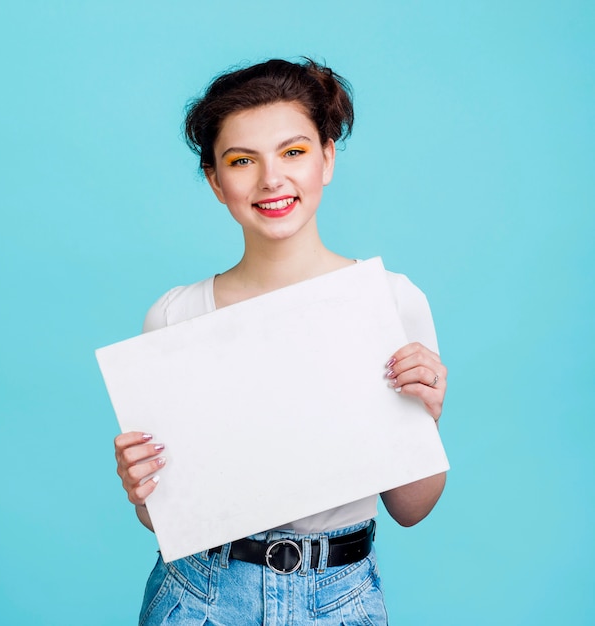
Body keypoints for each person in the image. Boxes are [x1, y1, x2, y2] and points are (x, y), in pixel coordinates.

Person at [114, 58, 447, 626]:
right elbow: (163, 516)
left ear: (328, 158)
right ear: (217, 181)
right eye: (242, 161)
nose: (271, 179)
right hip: (200, 595)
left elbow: (410, 509)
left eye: (293, 152)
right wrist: (142, 488)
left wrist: (426, 416)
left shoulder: (390, 302)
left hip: (339, 596)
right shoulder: (175, 316)